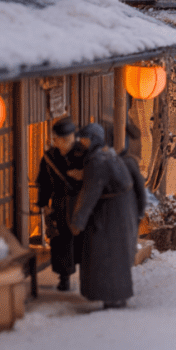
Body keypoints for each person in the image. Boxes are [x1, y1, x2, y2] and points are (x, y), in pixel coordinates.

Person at [70, 123, 148, 309]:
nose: (82, 143)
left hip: (111, 215)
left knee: (107, 255)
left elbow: (91, 192)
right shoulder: (107, 156)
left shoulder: (98, 160)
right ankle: (116, 296)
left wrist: (78, 220)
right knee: (115, 256)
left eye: (84, 139)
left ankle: (112, 297)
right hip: (120, 211)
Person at [34, 116, 84, 291]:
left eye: (69, 138)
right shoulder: (49, 157)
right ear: (56, 139)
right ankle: (64, 278)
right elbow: (44, 183)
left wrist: (83, 174)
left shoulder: (82, 153)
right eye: (62, 139)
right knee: (61, 241)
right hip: (60, 203)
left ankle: (87, 275)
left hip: (80, 202)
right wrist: (43, 204)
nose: (66, 142)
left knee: (83, 240)